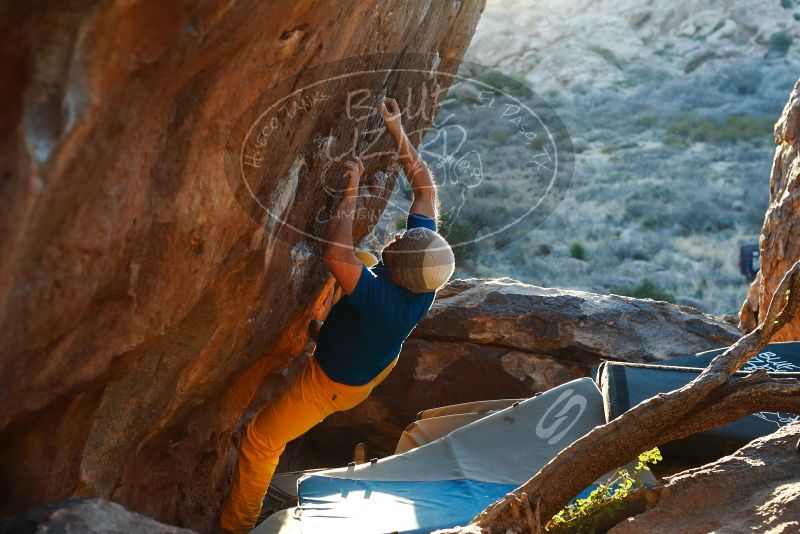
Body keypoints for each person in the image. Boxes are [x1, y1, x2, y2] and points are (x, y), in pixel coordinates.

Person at [219, 97, 455, 533]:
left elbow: (334, 254)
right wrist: (397, 128)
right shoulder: (423, 271)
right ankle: (328, 331)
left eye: (401, 240)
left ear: (400, 274)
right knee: (364, 260)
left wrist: (350, 194)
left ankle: (235, 527)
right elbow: (425, 189)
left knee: (261, 442)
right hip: (375, 362)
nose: (402, 233)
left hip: (333, 384)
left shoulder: (384, 301)